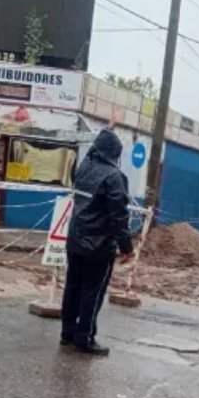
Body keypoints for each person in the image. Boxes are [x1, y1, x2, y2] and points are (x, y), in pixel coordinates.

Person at [61, 128, 134, 356]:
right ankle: (86, 337)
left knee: (72, 286)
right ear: (115, 153)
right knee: (93, 292)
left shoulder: (84, 168)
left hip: (75, 239)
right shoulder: (114, 177)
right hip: (99, 244)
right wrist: (126, 247)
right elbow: (119, 216)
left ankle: (68, 333)